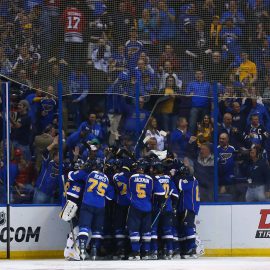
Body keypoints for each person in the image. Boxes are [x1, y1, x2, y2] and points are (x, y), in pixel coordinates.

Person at [127, 159, 165, 260]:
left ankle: (136, 253)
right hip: (147, 207)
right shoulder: (151, 178)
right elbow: (161, 193)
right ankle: (146, 253)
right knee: (147, 231)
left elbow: (126, 191)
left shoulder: (131, 177)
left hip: (135, 206)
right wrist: (161, 203)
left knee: (134, 230)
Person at [76, 161, 115, 260]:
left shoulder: (90, 174)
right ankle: (94, 251)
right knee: (97, 230)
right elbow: (110, 197)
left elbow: (72, 176)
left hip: (88, 203)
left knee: (84, 227)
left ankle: (82, 250)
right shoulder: (106, 179)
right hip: (100, 206)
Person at [33, 135, 60, 204]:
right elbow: (44, 152)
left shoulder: (62, 166)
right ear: (54, 156)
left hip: (51, 194)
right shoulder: (48, 163)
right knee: (36, 211)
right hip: (41, 191)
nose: (60, 157)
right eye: (58, 155)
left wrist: (75, 156)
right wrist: (53, 144)